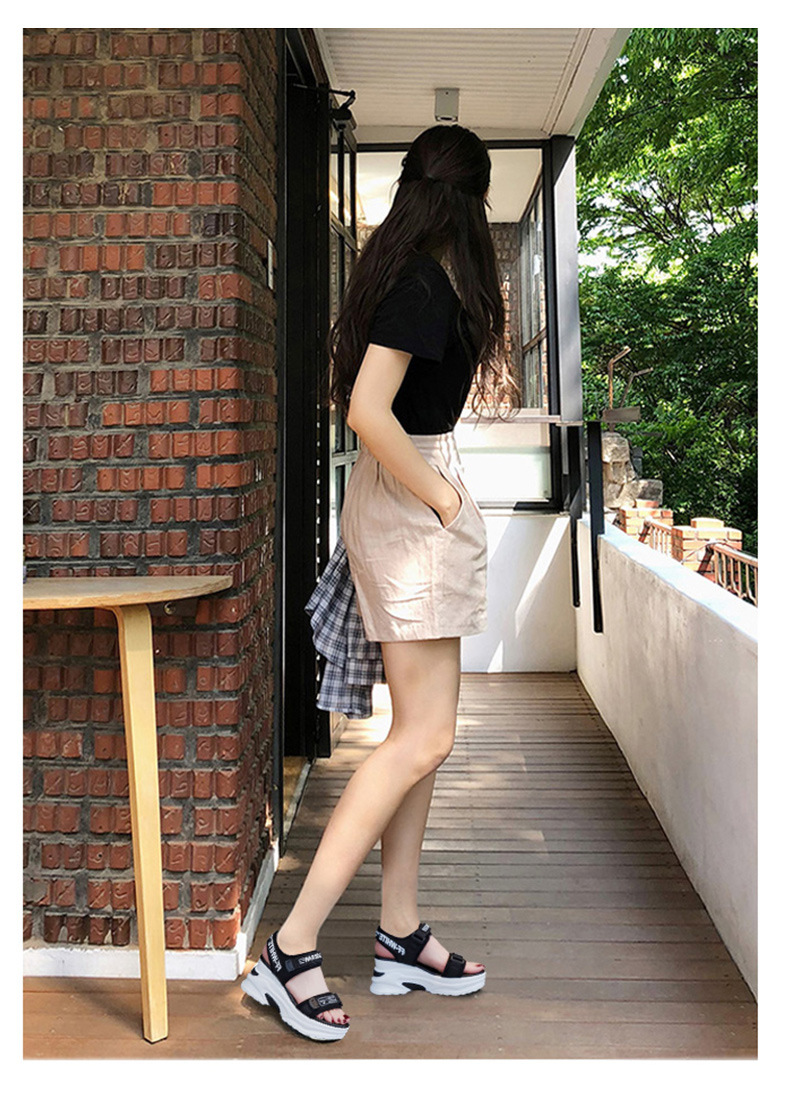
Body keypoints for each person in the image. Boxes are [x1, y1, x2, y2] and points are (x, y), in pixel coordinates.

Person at [241, 123, 521, 1042]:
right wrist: (443, 499)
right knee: (423, 736)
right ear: (471, 201)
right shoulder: (424, 284)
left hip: (404, 494)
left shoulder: (411, 272)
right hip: (411, 500)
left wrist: (437, 495)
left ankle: (399, 931)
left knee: (425, 736)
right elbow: (368, 410)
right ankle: (290, 949)